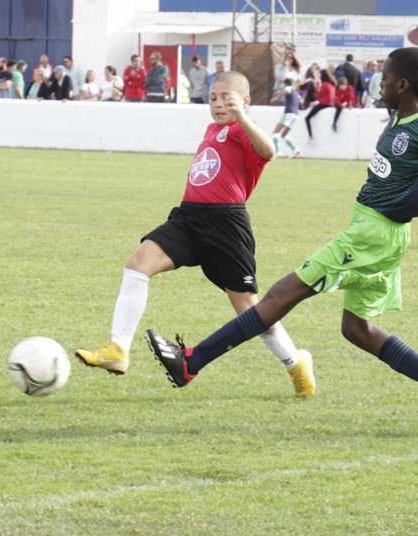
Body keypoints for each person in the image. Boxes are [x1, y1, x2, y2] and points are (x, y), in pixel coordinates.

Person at [144, 47, 418, 435]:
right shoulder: (404, 116)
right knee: (356, 329)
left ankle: (191, 362)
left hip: (372, 235)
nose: (377, 84)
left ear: (401, 85)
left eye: (383, 80)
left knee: (282, 294)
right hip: (381, 232)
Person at [76, 71, 315, 398]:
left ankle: (297, 365)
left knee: (252, 313)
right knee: (137, 263)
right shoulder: (212, 129)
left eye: (227, 99)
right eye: (213, 98)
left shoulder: (243, 129)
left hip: (226, 225)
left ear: (244, 102)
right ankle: (118, 350)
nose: (219, 104)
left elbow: (270, 150)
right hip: (189, 216)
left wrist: (242, 117)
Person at [267, 77, 302, 158]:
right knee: (284, 134)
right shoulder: (296, 91)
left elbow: (287, 91)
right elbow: (301, 101)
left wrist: (276, 97)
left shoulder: (288, 88)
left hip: (288, 112)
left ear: (286, 83)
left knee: (276, 132)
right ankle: (294, 149)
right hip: (296, 114)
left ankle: (277, 152)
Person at [304, 68, 336, 139]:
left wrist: (315, 88)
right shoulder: (332, 84)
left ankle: (310, 135)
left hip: (323, 103)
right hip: (330, 103)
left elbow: (318, 97)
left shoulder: (324, 84)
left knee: (307, 118)